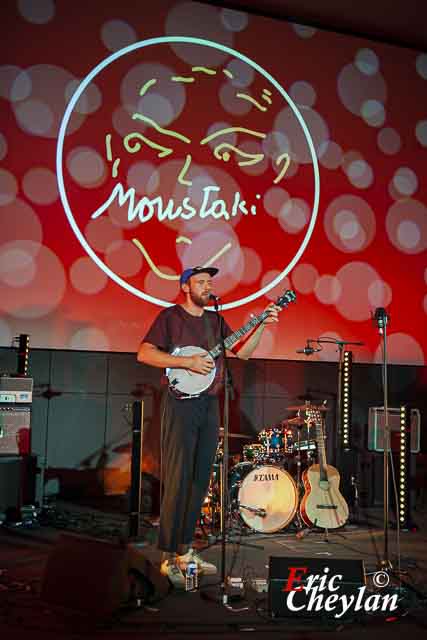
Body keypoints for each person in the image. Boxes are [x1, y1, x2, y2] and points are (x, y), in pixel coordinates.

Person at [137, 266, 280, 588]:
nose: (207, 286)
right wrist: (186, 362)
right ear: (186, 286)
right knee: (179, 478)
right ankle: (167, 556)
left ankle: (186, 550)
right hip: (180, 404)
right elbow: (144, 353)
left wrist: (260, 326)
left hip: (209, 404)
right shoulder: (170, 317)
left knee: (199, 480)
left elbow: (240, 354)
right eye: (201, 282)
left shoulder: (215, 321)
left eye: (210, 282)